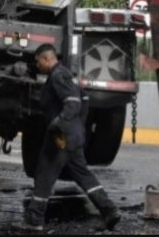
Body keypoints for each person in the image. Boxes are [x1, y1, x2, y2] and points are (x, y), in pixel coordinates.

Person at [23, 43, 121, 231]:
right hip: (73, 136)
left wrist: (59, 123)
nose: (37, 66)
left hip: (60, 136)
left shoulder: (58, 75)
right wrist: (78, 126)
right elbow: (84, 99)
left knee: (44, 173)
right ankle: (109, 210)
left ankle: (34, 220)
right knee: (83, 175)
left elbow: (73, 102)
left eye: (38, 62)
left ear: (46, 58)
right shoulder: (66, 75)